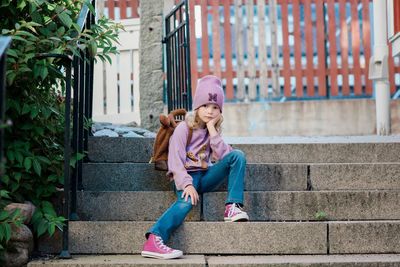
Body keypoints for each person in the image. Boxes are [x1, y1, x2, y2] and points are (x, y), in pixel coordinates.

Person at [141, 75, 249, 259]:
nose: (210, 111)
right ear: (197, 106)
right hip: (187, 177)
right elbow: (175, 161)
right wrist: (187, 184)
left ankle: (232, 206)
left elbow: (225, 156)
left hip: (206, 176)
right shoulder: (184, 128)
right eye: (206, 106)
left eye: (215, 108)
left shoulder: (210, 131)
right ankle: (154, 238)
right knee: (185, 203)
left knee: (237, 156)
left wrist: (213, 130)